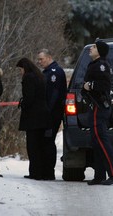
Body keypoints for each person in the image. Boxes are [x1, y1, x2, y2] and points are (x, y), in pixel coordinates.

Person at [81, 40, 113, 185]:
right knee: (96, 142)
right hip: (95, 107)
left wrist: (90, 85)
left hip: (99, 107)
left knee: (101, 141)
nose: (90, 48)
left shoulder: (101, 65)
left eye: (93, 47)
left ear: (99, 50)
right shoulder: (95, 64)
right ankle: (99, 175)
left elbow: (104, 85)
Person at [16, 58, 52, 180]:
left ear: (25, 68)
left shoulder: (28, 78)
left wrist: (23, 104)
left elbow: (29, 97)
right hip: (43, 115)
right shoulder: (40, 76)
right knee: (41, 145)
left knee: (32, 146)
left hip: (33, 117)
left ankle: (35, 172)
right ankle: (43, 172)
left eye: (21, 69)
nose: (21, 72)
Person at [37, 49, 67, 179]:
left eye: (41, 59)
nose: (39, 62)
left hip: (52, 114)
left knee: (48, 141)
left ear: (49, 57)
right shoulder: (48, 72)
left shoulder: (55, 72)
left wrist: (47, 110)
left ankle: (49, 172)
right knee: (45, 141)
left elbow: (54, 94)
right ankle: (45, 171)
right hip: (48, 113)